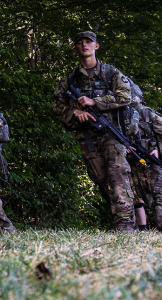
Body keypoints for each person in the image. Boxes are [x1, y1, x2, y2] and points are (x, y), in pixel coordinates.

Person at [53, 31, 136, 231]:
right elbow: (56, 105)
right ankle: (116, 216)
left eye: (88, 42)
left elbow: (126, 97)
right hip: (87, 135)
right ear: (75, 49)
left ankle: (126, 224)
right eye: (80, 43)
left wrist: (96, 102)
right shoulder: (71, 78)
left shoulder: (110, 73)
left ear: (96, 46)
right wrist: (75, 112)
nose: (84, 45)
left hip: (111, 133)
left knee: (118, 174)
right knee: (100, 179)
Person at [128, 86, 162, 231]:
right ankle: (143, 228)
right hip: (133, 161)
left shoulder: (148, 114)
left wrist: (159, 152)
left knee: (158, 193)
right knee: (137, 198)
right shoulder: (120, 117)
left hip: (153, 161)